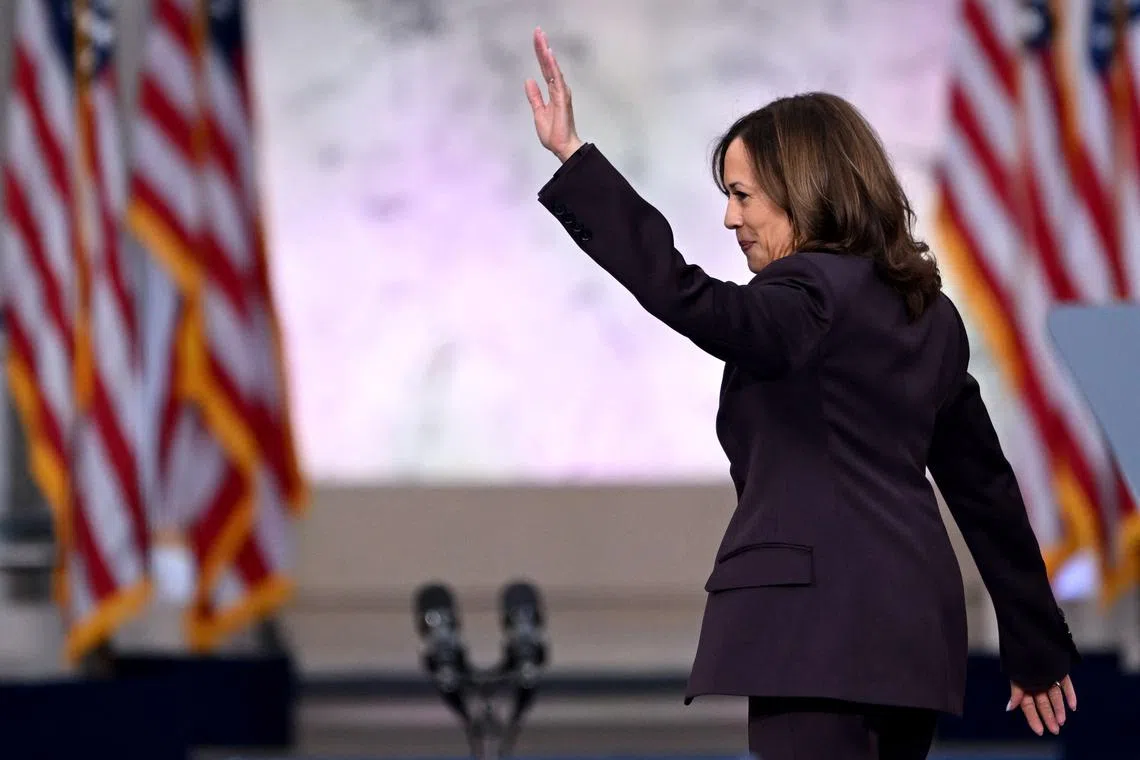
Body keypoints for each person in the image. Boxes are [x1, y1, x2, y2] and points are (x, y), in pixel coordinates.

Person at [524, 26, 1081, 760]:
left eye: (742, 194)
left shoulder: (808, 294)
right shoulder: (931, 316)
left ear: (803, 192)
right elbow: (984, 488)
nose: (731, 217)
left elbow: (691, 299)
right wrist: (1034, 640)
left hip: (817, 634)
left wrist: (575, 162)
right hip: (912, 636)